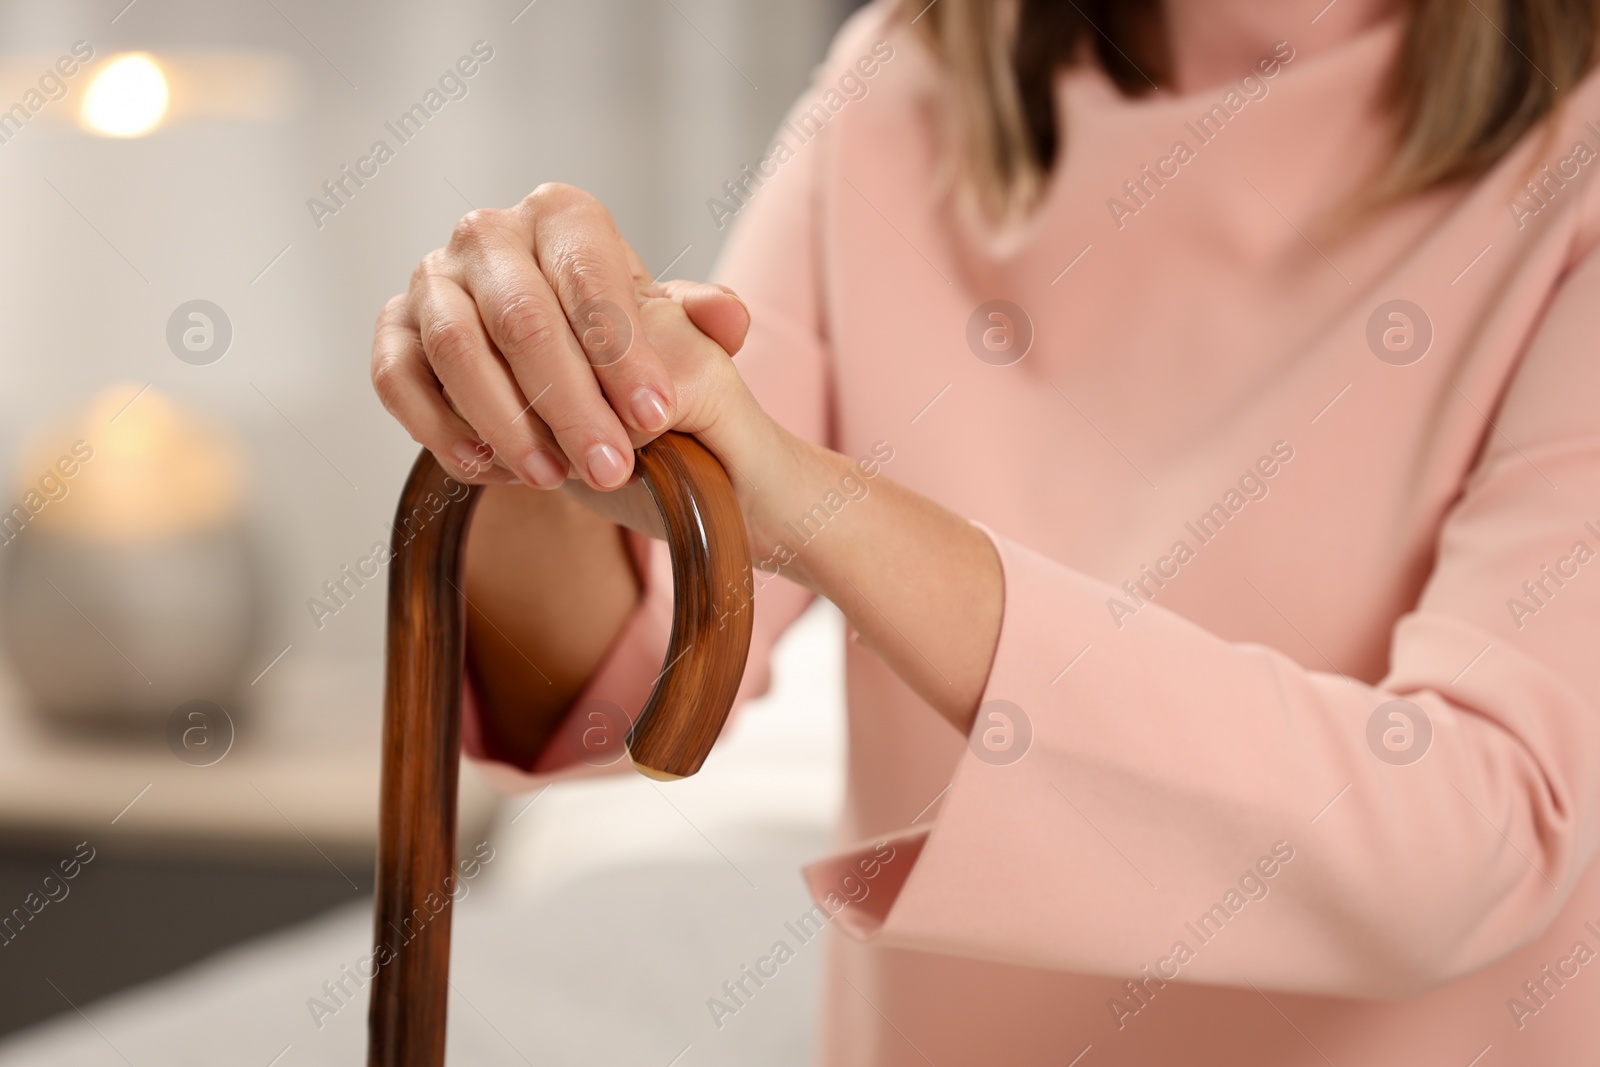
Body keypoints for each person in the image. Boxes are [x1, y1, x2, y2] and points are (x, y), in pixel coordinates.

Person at [369, 0, 1600, 1061]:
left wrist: (814, 501)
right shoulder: (904, 91)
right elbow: (613, 675)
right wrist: (536, 396)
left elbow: (1477, 835)